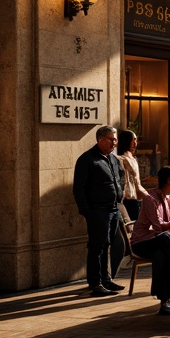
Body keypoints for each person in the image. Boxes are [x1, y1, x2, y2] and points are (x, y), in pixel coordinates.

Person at [131, 166, 170, 315]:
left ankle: (165, 302)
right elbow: (158, 228)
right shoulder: (149, 198)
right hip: (142, 242)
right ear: (166, 180)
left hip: (158, 243)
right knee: (165, 238)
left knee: (161, 256)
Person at [72, 125, 124, 297]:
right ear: (100, 139)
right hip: (98, 211)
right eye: (111, 139)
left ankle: (106, 279)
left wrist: (120, 196)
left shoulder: (114, 159)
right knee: (97, 247)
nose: (114, 143)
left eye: (115, 139)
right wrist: (87, 211)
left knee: (108, 245)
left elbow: (120, 179)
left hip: (113, 209)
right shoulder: (87, 159)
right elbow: (79, 188)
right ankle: (95, 283)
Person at [117, 129, 142, 221]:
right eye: (133, 140)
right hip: (127, 197)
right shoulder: (121, 159)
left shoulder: (133, 158)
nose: (135, 143)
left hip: (135, 196)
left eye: (136, 140)